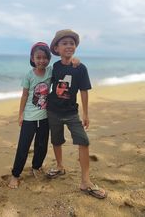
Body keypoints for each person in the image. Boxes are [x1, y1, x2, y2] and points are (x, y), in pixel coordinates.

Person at [46, 29, 107, 199]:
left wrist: (86, 114)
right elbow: (45, 85)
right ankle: (59, 166)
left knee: (83, 142)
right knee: (56, 140)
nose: (68, 46)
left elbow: (84, 91)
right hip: (53, 111)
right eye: (64, 43)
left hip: (72, 113)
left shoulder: (80, 68)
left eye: (71, 43)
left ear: (75, 47)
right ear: (57, 48)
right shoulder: (55, 67)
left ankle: (85, 181)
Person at [8, 42, 52, 189]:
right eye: (38, 57)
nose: (42, 60)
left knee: (42, 145)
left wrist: (74, 61)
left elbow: (65, 65)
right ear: (32, 58)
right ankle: (15, 175)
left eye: (45, 57)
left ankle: (36, 167)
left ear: (49, 58)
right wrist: (20, 114)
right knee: (23, 147)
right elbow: (24, 96)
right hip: (29, 118)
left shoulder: (50, 72)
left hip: (45, 117)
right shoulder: (29, 75)